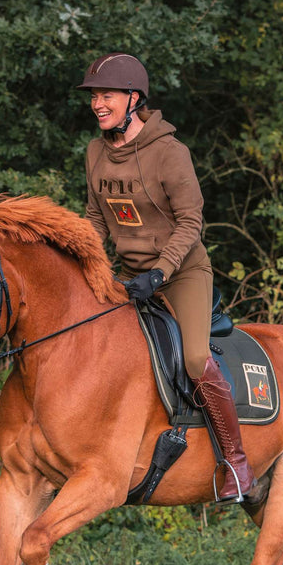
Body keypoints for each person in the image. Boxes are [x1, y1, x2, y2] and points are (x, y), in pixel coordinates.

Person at [78, 52, 254, 503]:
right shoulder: (96, 151)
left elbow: (190, 222)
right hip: (128, 273)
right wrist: (88, 260)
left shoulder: (170, 153)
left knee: (195, 359)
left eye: (107, 95)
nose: (98, 103)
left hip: (181, 273)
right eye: (95, 96)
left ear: (134, 99)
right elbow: (96, 218)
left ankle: (236, 463)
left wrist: (158, 274)